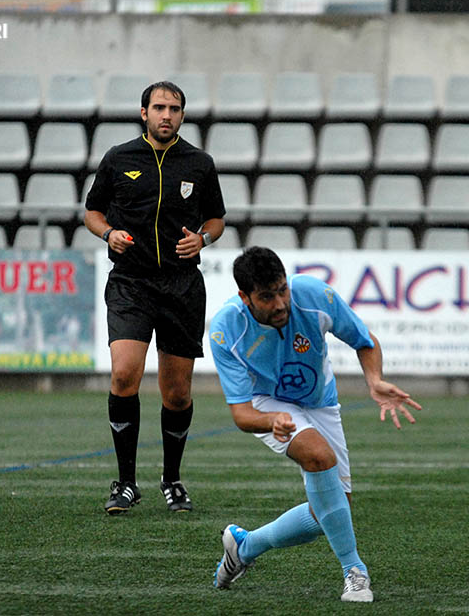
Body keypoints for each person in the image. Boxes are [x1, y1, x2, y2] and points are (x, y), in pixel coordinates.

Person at [207, 246, 422, 602]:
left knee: (334, 510)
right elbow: (241, 413)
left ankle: (244, 547)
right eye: (266, 296)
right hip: (267, 403)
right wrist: (270, 419)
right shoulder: (226, 329)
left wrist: (374, 380)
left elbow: (363, 341)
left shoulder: (314, 295)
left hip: (320, 400)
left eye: (282, 290)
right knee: (318, 456)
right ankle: (355, 571)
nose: (279, 303)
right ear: (245, 297)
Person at [84, 80, 226, 515]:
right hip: (131, 282)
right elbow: (92, 212)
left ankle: (171, 479)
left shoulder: (200, 164)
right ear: (143, 112)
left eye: (175, 108)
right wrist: (109, 233)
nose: (167, 115)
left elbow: (217, 218)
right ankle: (126, 482)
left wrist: (202, 239)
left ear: (183, 116)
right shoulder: (118, 158)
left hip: (182, 287)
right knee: (124, 374)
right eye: (159, 107)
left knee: (177, 393)